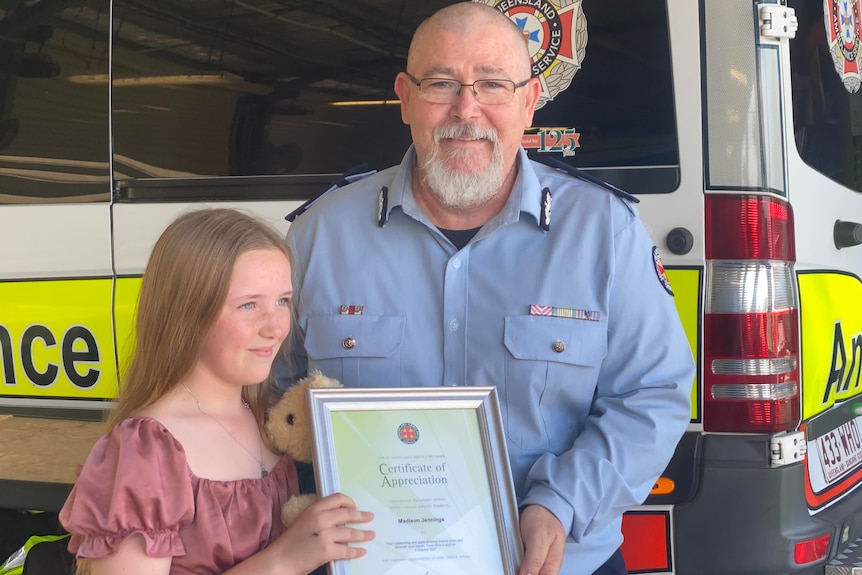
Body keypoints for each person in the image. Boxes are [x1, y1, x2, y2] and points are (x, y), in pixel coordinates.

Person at [277, 3, 694, 575]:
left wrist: (561, 502)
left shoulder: (604, 231)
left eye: (492, 84)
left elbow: (653, 393)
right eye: (442, 83)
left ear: (529, 99)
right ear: (405, 97)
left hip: (555, 562)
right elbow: (270, 400)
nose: (466, 109)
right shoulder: (319, 235)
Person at [59, 208, 375, 575]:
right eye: (248, 305)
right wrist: (284, 560)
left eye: (282, 301)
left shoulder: (267, 421)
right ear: (188, 314)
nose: (275, 327)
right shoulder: (147, 449)